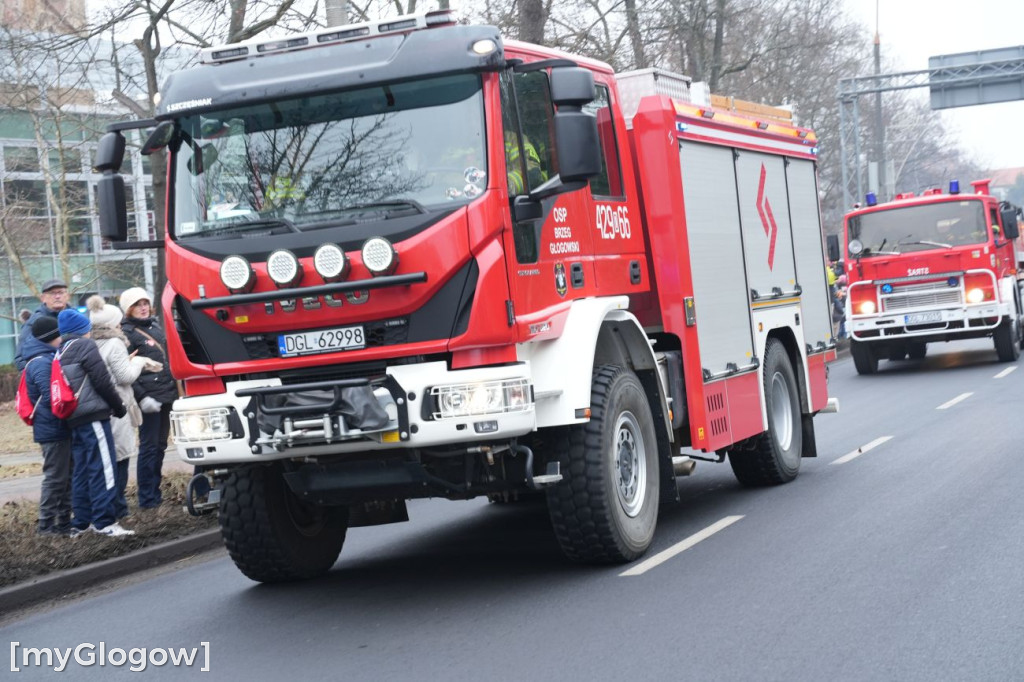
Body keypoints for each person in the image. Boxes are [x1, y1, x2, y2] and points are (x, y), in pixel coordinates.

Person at [56, 308, 133, 537]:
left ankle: (81, 521)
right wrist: (118, 407)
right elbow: (102, 380)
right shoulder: (85, 346)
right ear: (83, 329)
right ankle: (105, 522)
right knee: (104, 468)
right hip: (94, 417)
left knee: (82, 470)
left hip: (74, 418)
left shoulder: (61, 351)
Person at [87, 295, 162, 520]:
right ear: (112, 323)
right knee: (120, 457)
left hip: (100, 407)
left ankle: (107, 506)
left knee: (106, 460)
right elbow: (124, 376)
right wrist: (138, 362)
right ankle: (118, 508)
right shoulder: (115, 342)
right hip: (118, 405)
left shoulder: (92, 342)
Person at [120, 287, 178, 510]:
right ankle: (147, 498)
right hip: (148, 397)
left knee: (160, 446)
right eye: (137, 304)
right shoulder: (127, 333)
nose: (143, 308)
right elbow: (124, 371)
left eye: (145, 303)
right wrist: (142, 397)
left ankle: (155, 493)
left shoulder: (153, 325)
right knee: (149, 447)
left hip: (166, 394)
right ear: (128, 309)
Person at [22, 316, 72, 535]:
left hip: (55, 428)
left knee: (65, 476)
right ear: (52, 337)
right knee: (55, 477)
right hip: (53, 430)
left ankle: (63, 521)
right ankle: (46, 525)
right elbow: (53, 396)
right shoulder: (42, 362)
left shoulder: (46, 357)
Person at [15, 278, 69, 370]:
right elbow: (20, 359)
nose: (57, 296)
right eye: (52, 293)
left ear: (67, 296)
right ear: (43, 298)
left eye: (60, 292)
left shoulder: (76, 318)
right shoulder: (34, 322)